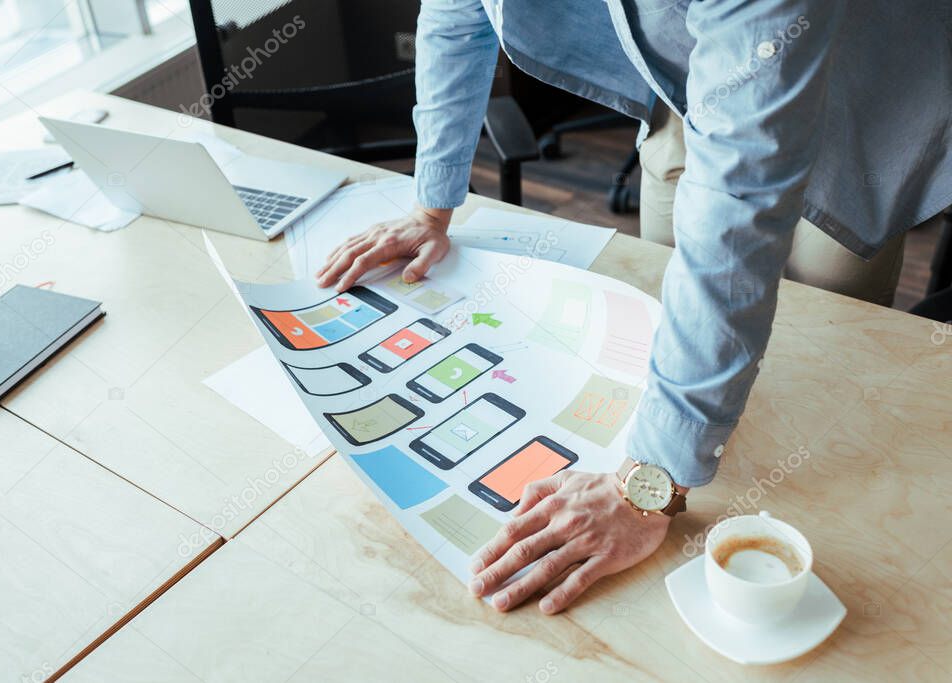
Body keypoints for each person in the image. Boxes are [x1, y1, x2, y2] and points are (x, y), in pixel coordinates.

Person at [316, 0, 952, 615]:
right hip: (690, 41)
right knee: (668, 285)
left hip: (860, 85)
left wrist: (648, 486)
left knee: (824, 350)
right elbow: (459, 15)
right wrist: (432, 204)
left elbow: (740, 196)